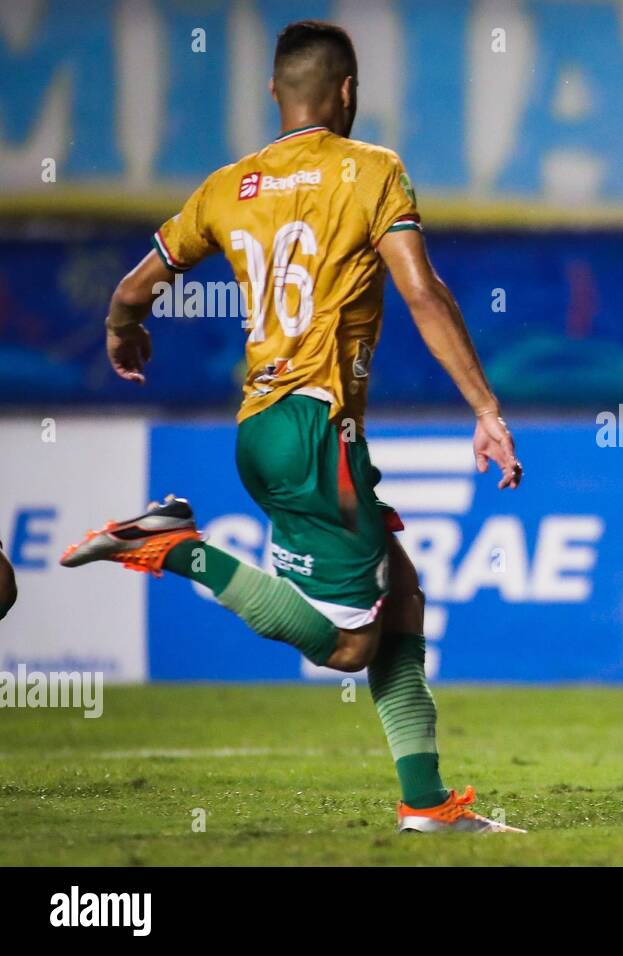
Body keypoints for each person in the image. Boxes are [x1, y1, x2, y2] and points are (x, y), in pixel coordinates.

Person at [62, 20, 523, 833]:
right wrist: (485, 408)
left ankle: (427, 803)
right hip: (319, 434)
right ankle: (171, 546)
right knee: (347, 648)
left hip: (266, 426)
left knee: (403, 597)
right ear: (349, 92)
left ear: (275, 93)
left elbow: (135, 287)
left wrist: (120, 329)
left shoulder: (227, 185)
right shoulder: (373, 171)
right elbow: (421, 292)